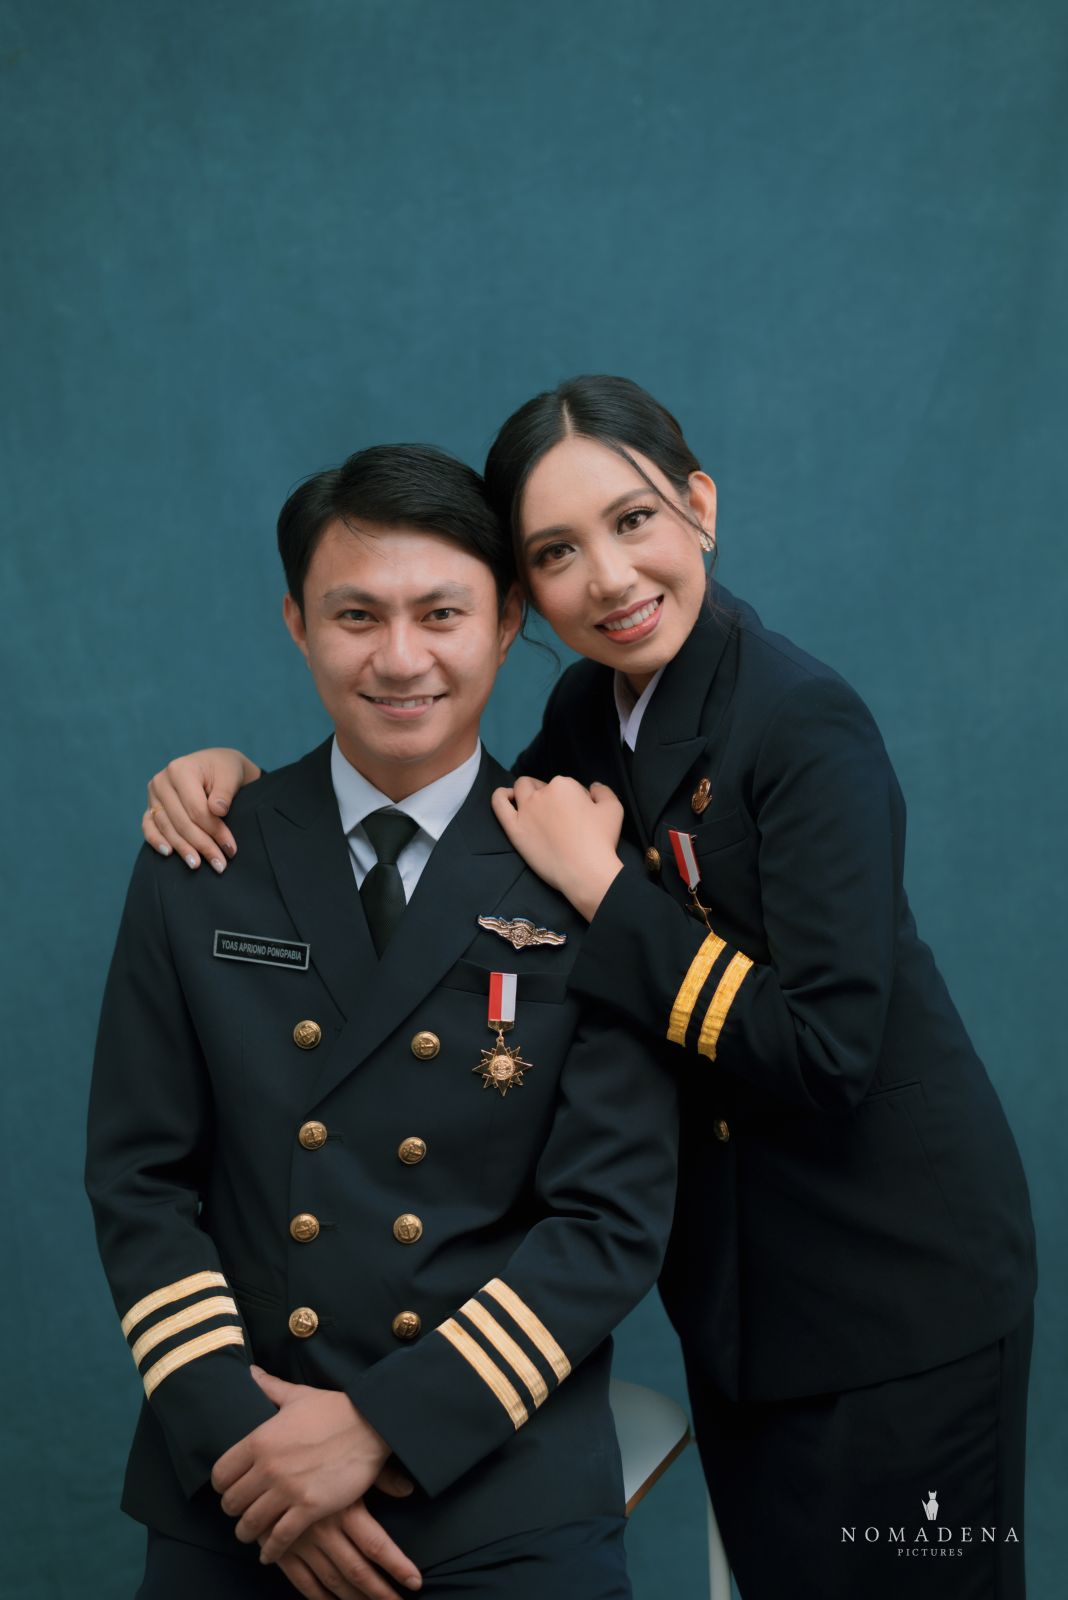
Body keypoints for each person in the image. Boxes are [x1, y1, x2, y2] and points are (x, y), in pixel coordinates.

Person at [139, 377, 1037, 1600]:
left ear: (700, 506)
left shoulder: (804, 722)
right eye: (557, 550)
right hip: (742, 1285)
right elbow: (445, 828)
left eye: (634, 520)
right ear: (526, 595)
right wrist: (251, 792)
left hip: (896, 1275)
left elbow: (828, 1051)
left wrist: (611, 894)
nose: (609, 578)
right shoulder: (592, 707)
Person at [87, 442, 679, 1600]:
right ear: (298, 623)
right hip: (237, 1477)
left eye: (441, 613)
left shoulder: (587, 874)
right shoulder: (204, 854)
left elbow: (610, 1217)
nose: (401, 658)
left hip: (497, 1483)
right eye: (356, 615)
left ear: (507, 622)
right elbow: (138, 1181)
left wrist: (378, 1429)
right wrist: (254, 1456)